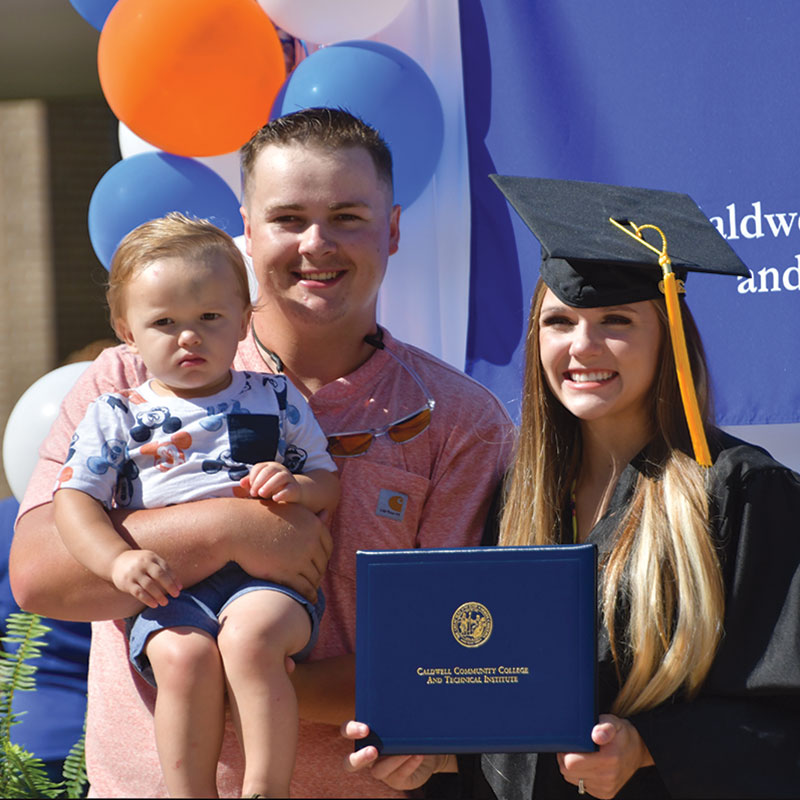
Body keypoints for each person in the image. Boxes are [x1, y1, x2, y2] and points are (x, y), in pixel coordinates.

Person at [9, 107, 514, 798]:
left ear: (393, 229)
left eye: (347, 216)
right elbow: (41, 576)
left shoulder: (458, 420)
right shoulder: (124, 380)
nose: (317, 244)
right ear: (247, 230)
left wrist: (260, 677)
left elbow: (452, 647)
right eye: (288, 218)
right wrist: (234, 528)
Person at [343, 177, 800, 798]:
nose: (583, 346)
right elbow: (506, 703)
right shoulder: (518, 496)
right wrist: (438, 756)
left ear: (667, 335)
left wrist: (649, 749)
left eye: (616, 320)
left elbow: (783, 717)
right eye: (559, 321)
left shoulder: (741, 493)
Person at [51, 212, 340, 798]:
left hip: (266, 584)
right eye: (164, 322)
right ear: (126, 330)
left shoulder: (275, 395)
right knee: (182, 660)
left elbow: (326, 480)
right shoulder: (116, 413)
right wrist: (115, 560)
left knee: (252, 640)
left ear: (243, 320)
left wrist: (297, 488)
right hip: (170, 588)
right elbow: (75, 501)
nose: (189, 336)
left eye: (210, 317)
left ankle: (265, 789)